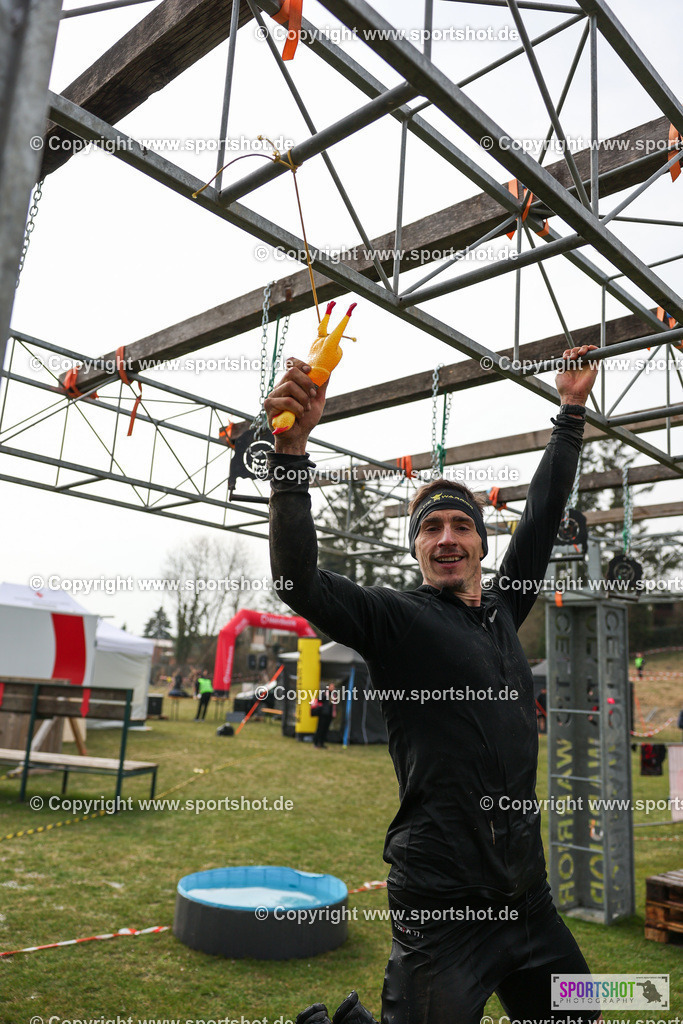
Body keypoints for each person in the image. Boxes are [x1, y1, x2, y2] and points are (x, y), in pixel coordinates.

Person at [265, 345, 603, 1024]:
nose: (445, 537)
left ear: (480, 543)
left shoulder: (505, 611)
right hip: (442, 902)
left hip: (526, 896)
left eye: (459, 526)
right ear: (415, 550)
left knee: (583, 1011)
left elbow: (539, 516)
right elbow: (295, 581)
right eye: (429, 529)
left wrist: (569, 409)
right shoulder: (398, 621)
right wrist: (292, 456)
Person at [313, 682, 336, 749]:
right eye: (331, 686)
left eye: (333, 687)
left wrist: (333, 713)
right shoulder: (324, 693)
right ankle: (316, 742)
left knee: (325, 729)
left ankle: (322, 743)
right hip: (323, 714)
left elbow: (333, 705)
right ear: (328, 687)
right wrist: (325, 696)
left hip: (329, 714)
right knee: (320, 728)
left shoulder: (334, 695)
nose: (332, 688)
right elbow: (319, 701)